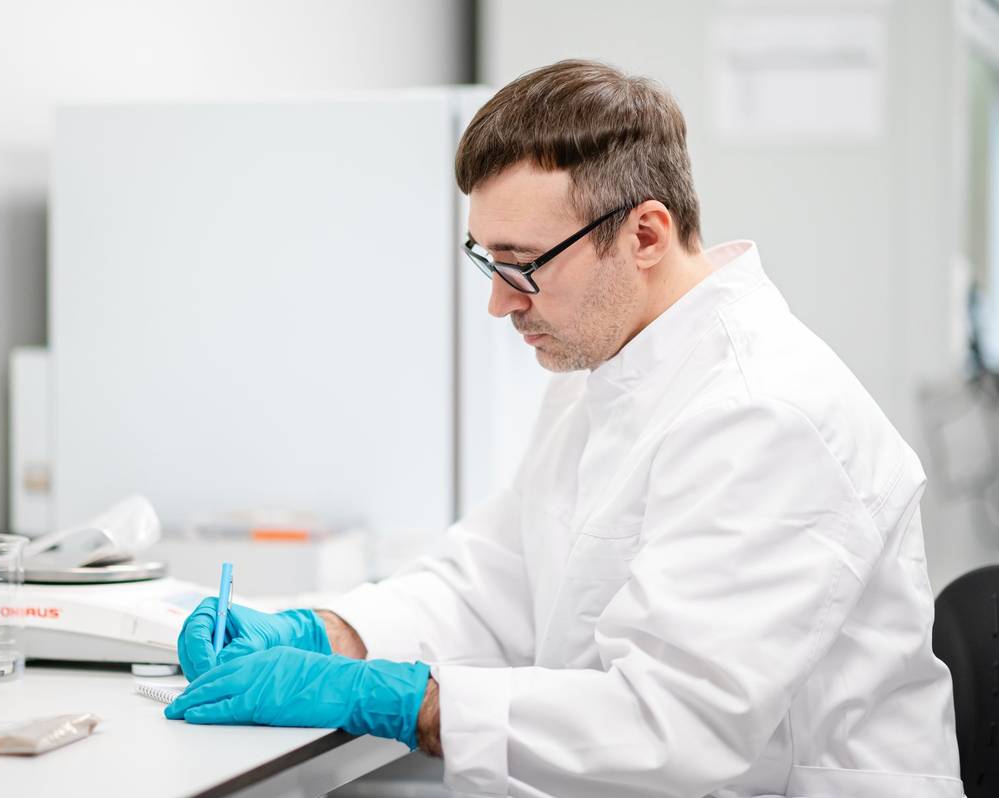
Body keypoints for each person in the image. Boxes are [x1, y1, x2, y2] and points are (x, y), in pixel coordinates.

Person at [165, 60, 964, 797]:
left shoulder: (764, 415)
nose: (499, 302)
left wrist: (404, 700)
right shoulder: (608, 365)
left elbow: (671, 726)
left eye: (524, 264)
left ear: (643, 235)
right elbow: (496, 582)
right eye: (487, 260)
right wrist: (326, 633)